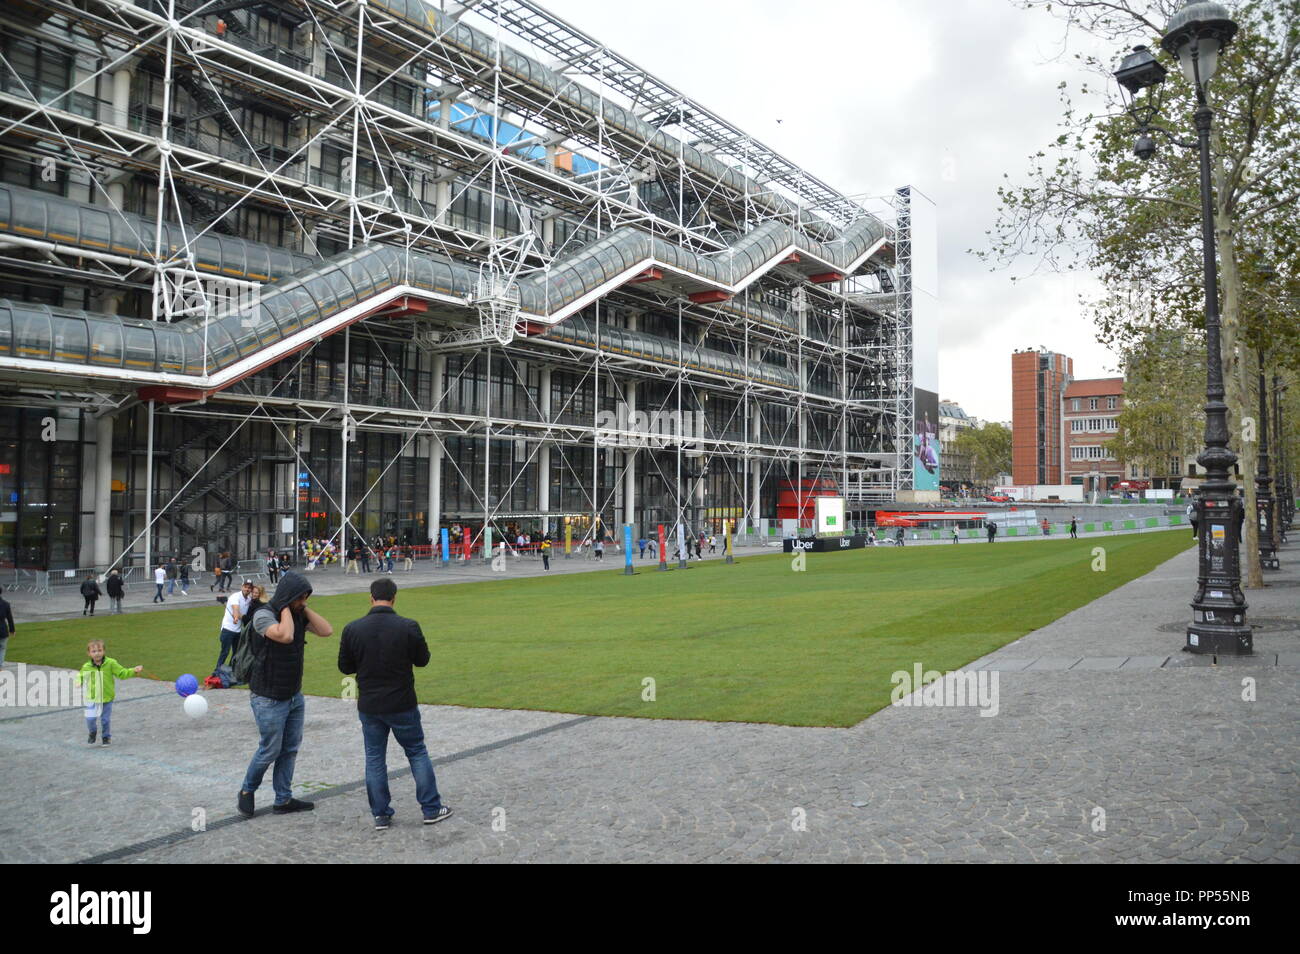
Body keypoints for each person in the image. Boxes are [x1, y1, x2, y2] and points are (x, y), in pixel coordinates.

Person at [338, 578, 452, 830]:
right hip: (401, 701)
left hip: (370, 704)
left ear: (371, 597)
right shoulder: (408, 626)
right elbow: (422, 660)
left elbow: (345, 667)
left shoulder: (353, 629)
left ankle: (380, 814)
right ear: (394, 598)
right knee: (416, 752)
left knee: (375, 758)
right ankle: (431, 808)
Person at [237, 571, 333, 818]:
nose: (304, 602)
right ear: (287, 596)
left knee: (289, 749)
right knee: (270, 749)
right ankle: (247, 791)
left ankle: (283, 799)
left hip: (293, 694)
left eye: (306, 597)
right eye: (300, 597)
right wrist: (286, 607)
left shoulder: (299, 614)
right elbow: (284, 635)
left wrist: (302, 607)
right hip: (267, 696)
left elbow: (326, 630)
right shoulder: (263, 615)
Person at [76, 639, 142, 745]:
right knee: (90, 719)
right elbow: (80, 675)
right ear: (89, 653)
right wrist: (79, 682)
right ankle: (92, 732)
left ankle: (106, 737)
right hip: (92, 698)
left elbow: (122, 673)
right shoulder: (86, 666)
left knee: (105, 720)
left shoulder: (111, 663)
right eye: (94, 651)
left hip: (107, 698)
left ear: (104, 651)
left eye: (99, 650)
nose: (97, 653)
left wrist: (133, 670)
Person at [217, 579, 253, 671]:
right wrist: (236, 617)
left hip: (238, 631)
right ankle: (217, 671)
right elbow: (235, 609)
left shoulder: (249, 599)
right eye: (245, 587)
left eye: (249, 588)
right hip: (228, 629)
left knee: (236, 653)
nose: (247, 589)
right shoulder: (235, 596)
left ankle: (230, 671)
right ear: (242, 587)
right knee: (225, 652)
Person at [0, 586, 14, 667]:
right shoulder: (6, 604)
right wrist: (12, 630)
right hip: (3, 630)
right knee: (2, 648)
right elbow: (10, 618)